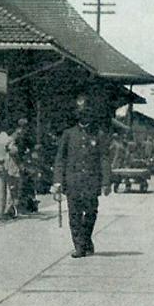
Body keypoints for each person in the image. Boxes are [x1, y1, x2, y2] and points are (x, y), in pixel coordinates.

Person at [53, 95, 112, 258]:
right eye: (81, 112)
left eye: (87, 113)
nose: (84, 115)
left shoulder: (99, 135)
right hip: (73, 183)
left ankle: (85, 239)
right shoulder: (68, 134)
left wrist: (106, 182)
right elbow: (60, 159)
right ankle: (79, 246)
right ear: (76, 115)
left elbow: (104, 159)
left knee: (91, 213)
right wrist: (57, 181)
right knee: (74, 215)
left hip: (92, 182)